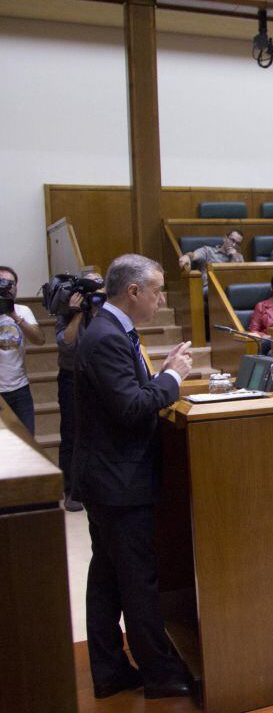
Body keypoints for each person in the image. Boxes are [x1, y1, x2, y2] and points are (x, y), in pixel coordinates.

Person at [71, 254, 194, 700]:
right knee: (137, 580)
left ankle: (108, 669)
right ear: (134, 291)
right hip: (118, 482)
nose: (163, 298)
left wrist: (160, 373)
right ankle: (160, 674)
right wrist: (173, 380)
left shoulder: (111, 330)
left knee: (107, 576)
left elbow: (131, 392)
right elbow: (131, 408)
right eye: (158, 289)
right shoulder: (106, 336)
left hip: (110, 478)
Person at [55, 271, 105, 512]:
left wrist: (96, 311)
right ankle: (71, 490)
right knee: (72, 434)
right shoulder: (65, 310)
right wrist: (77, 314)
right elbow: (66, 345)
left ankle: (94, 485)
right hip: (71, 378)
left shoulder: (104, 311)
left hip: (98, 378)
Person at [0, 265, 44, 435]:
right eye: (1, 283)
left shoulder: (22, 311)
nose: (6, 288)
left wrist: (15, 317)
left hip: (20, 390)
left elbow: (39, 339)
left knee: (27, 442)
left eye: (10, 284)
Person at [178, 229, 244, 284]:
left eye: (237, 243)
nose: (233, 244)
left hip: (227, 288)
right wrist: (187, 256)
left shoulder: (239, 257)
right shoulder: (208, 251)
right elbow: (194, 255)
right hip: (209, 288)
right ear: (225, 238)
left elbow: (240, 277)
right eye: (232, 240)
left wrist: (234, 256)